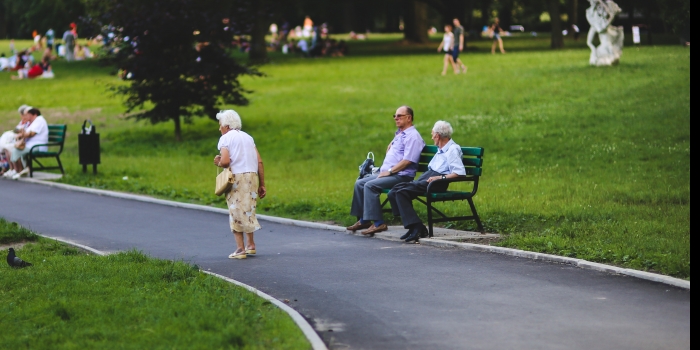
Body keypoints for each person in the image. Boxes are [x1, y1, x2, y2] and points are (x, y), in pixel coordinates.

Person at [347, 106, 425, 236]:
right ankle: (364, 219)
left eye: (399, 116)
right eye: (394, 116)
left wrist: (389, 171)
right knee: (359, 183)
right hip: (390, 173)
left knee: (370, 185)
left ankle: (378, 223)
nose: (396, 118)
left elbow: (408, 161)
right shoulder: (400, 134)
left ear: (409, 118)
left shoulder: (413, 136)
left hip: (401, 176)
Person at [388, 121, 466, 243]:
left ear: (437, 136)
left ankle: (417, 227)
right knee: (394, 190)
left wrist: (440, 178)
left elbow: (460, 173)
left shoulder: (452, 149)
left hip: (437, 182)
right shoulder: (441, 149)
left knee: (401, 192)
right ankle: (413, 226)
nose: (431, 137)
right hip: (429, 177)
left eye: (432, 134)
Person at [213, 110, 266, 260]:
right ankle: (251, 245)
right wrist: (262, 184)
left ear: (227, 125)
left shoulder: (225, 139)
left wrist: (218, 162)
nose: (219, 129)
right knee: (248, 209)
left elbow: (225, 161)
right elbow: (259, 162)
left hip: (236, 178)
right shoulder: (248, 138)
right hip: (251, 177)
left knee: (235, 211)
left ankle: (240, 249)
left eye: (220, 125)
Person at [5, 108, 48, 180]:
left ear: (34, 114)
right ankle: (19, 169)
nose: (26, 116)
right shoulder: (32, 122)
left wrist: (22, 134)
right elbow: (20, 131)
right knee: (11, 148)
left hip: (37, 145)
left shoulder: (39, 120)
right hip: (30, 144)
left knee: (16, 150)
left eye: (28, 115)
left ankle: (20, 170)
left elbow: (31, 134)